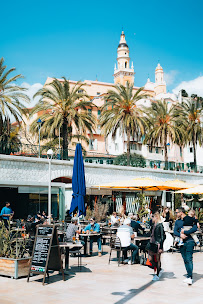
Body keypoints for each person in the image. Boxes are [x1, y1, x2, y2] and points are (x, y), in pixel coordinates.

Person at [174, 207, 197, 285]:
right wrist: (180, 235)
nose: (176, 214)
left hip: (190, 241)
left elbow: (195, 228)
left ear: (181, 212)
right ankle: (188, 276)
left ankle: (190, 277)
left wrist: (185, 232)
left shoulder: (189, 219)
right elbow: (175, 232)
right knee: (185, 260)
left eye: (177, 212)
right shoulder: (177, 222)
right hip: (182, 243)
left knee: (189, 259)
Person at [147, 212, 165, 281]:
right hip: (152, 243)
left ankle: (157, 273)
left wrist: (161, 246)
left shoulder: (160, 225)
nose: (152, 219)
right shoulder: (153, 225)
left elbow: (162, 236)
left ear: (156, 217)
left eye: (153, 217)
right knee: (150, 258)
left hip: (157, 243)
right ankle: (159, 269)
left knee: (158, 259)